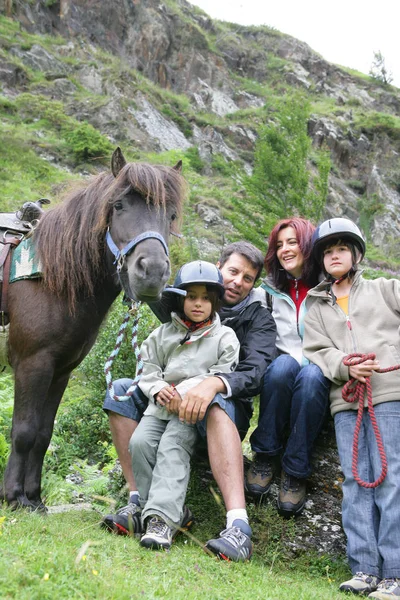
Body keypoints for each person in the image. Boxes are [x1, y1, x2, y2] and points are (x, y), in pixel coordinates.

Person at [102, 241, 277, 561]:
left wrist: (213, 383)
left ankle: (239, 527)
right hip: (168, 401)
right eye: (233, 271)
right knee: (120, 393)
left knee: (215, 404)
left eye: (248, 278)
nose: (238, 281)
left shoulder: (258, 316)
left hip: (221, 407)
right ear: (218, 267)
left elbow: (256, 372)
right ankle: (138, 501)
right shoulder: (184, 299)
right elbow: (152, 298)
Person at [303, 217, 400, 598]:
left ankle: (394, 572)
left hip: (389, 394)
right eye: (327, 251)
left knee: (391, 480)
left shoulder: (385, 290)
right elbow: (318, 351)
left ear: (356, 254)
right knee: (356, 482)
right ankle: (364, 568)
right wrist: (345, 365)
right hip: (347, 403)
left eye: (341, 248)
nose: (334, 255)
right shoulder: (316, 310)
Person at [127, 261, 240, 551]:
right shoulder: (163, 334)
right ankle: (166, 513)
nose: (198, 304)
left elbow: (220, 373)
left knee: (172, 447)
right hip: (159, 407)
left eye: (205, 298)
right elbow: (147, 369)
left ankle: (161, 521)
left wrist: (185, 391)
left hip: (190, 412)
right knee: (139, 443)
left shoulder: (225, 337)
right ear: (181, 298)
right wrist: (157, 388)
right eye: (191, 297)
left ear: (215, 301)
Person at [245, 217, 330, 518]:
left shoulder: (329, 288)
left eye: (293, 242)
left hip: (319, 375)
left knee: (311, 374)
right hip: (281, 374)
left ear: (308, 245)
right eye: (279, 245)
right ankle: (265, 455)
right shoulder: (266, 292)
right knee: (281, 366)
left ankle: (294, 471)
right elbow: (231, 304)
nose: (285, 250)